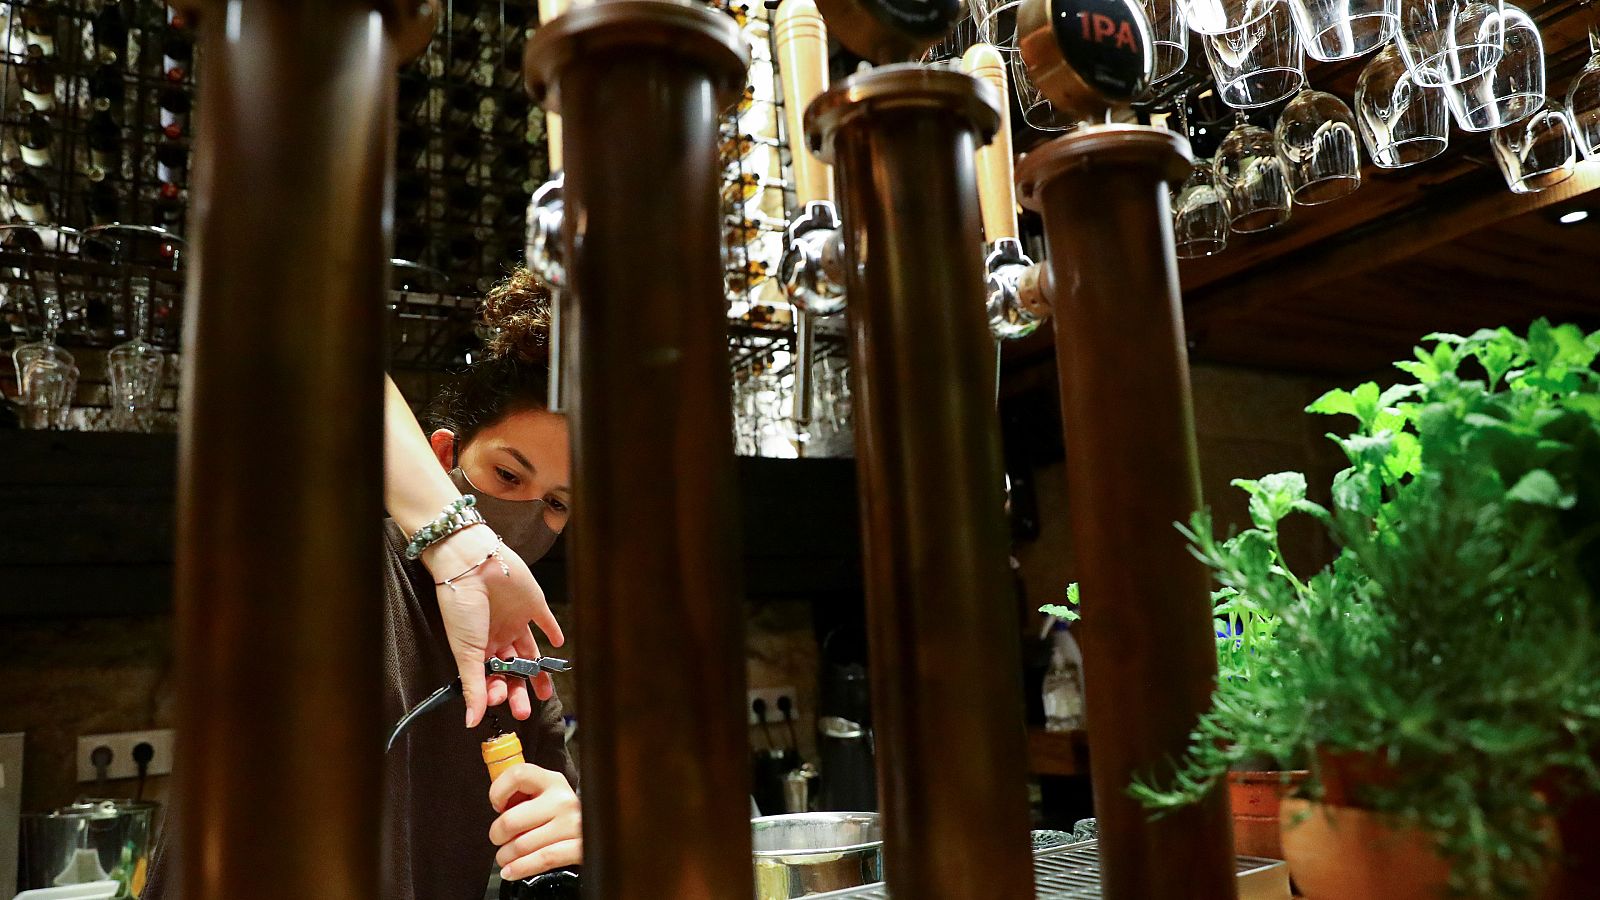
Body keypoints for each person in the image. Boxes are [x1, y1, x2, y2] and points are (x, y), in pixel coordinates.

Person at [147, 269, 583, 898]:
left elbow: (540, 861)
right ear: (441, 460)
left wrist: (575, 833)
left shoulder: (515, 661)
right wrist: (458, 542)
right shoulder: (332, 563)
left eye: (558, 504)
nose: (525, 516)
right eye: (508, 477)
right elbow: (302, 313)